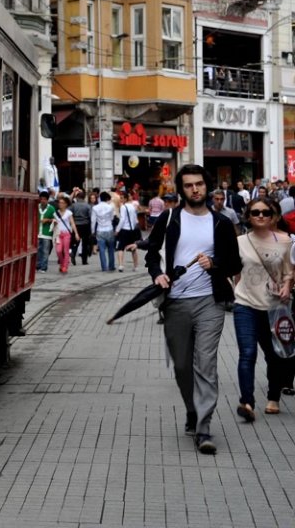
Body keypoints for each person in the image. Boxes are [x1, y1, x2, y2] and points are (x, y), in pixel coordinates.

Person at [144, 164, 241, 455]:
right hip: (176, 303)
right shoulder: (170, 217)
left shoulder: (221, 223)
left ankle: (203, 428)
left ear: (207, 186)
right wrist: (157, 274)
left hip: (210, 302)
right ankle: (191, 409)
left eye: (199, 184)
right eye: (188, 185)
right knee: (183, 366)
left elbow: (235, 264)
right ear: (181, 189)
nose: (195, 189)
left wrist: (215, 265)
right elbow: (151, 252)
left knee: (206, 365)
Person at [231, 197, 293, 421]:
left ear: (273, 216)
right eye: (255, 212)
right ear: (248, 216)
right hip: (245, 305)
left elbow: (288, 271)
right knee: (247, 354)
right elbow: (234, 269)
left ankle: (273, 397)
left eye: (265, 212)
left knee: (274, 356)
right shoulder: (240, 241)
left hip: (274, 308)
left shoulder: (284, 241)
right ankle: (246, 402)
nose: (260, 216)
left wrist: (287, 286)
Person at [52, 195, 80, 275]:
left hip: (66, 234)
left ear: (66, 204)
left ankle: (65, 266)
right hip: (58, 234)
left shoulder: (68, 213)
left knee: (65, 250)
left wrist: (76, 234)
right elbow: (54, 224)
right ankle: (62, 263)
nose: (60, 204)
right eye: (59, 203)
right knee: (58, 251)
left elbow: (72, 224)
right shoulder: (55, 213)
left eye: (62, 203)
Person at [92, 191, 116, 272]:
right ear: (107, 199)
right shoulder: (110, 207)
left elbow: (93, 220)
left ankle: (104, 267)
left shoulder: (95, 208)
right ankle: (111, 266)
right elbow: (112, 218)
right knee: (111, 249)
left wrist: (92, 231)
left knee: (101, 250)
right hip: (109, 228)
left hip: (100, 229)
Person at [116, 194, 141, 271]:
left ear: (126, 199)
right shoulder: (132, 206)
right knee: (133, 248)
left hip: (124, 229)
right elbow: (135, 219)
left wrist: (117, 230)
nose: (121, 199)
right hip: (132, 230)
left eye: (122, 198)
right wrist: (133, 227)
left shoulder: (123, 207)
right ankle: (136, 266)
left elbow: (122, 219)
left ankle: (121, 265)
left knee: (121, 248)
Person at [68, 190, 91, 265]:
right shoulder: (87, 206)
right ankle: (84, 260)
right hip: (85, 225)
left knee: (75, 242)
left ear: (77, 197)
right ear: (84, 197)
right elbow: (90, 216)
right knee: (85, 243)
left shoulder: (74, 205)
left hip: (76, 225)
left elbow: (68, 213)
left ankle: (73, 253)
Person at [35, 191, 55, 273]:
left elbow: (55, 220)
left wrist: (48, 220)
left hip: (47, 234)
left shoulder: (51, 209)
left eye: (44, 199)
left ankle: (43, 267)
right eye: (41, 199)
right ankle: (38, 265)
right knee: (37, 251)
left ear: (47, 200)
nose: (42, 201)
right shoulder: (36, 207)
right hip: (37, 233)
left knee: (45, 251)